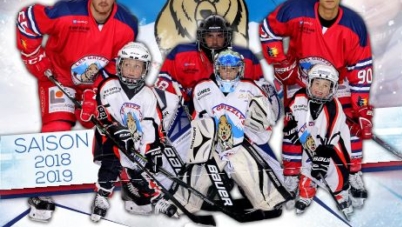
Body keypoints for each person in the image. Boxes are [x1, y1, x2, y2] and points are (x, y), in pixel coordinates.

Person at [16, 0, 138, 222]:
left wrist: (96, 91)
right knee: (57, 125)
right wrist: (31, 54)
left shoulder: (127, 25)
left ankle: (121, 179)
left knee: (111, 125)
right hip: (58, 78)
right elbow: (27, 19)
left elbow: (118, 64)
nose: (103, 1)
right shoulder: (65, 12)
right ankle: (43, 188)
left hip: (95, 85)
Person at [259, 0, 373, 208]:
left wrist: (362, 107)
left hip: (337, 82)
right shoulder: (294, 9)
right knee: (293, 124)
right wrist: (280, 61)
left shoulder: (354, 24)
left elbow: (361, 68)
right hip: (301, 78)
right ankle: (292, 176)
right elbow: (268, 30)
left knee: (352, 121)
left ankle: (352, 170)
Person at [154, 49, 288, 218]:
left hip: (240, 145)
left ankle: (268, 199)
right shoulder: (202, 89)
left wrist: (256, 124)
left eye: (233, 69)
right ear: (217, 68)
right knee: (195, 179)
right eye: (224, 68)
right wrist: (203, 145)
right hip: (212, 146)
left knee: (260, 190)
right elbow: (197, 121)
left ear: (240, 69)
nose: (228, 73)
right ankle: (183, 202)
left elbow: (264, 123)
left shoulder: (250, 88)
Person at [80, 42, 165, 221]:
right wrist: (110, 125)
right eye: (127, 64)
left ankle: (154, 196)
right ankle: (102, 196)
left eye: (137, 66)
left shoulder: (148, 95)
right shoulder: (108, 85)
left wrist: (153, 149)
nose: (132, 70)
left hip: (135, 144)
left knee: (139, 172)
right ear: (119, 65)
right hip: (110, 139)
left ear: (145, 69)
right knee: (111, 163)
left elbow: (153, 125)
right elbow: (100, 112)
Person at [155, 14, 281, 118]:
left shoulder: (246, 57)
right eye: (210, 36)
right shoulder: (180, 54)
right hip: (191, 119)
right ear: (201, 37)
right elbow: (163, 89)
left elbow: (261, 92)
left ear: (227, 37)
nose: (215, 41)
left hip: (237, 118)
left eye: (219, 36)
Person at [283, 64, 353, 217]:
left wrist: (323, 155)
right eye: (317, 83)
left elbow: (333, 135)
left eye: (326, 85)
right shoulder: (299, 97)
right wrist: (290, 125)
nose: (320, 89)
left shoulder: (335, 106)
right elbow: (290, 114)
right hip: (309, 139)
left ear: (332, 88)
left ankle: (341, 193)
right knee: (307, 166)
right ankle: (306, 192)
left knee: (335, 169)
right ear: (309, 83)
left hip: (333, 145)